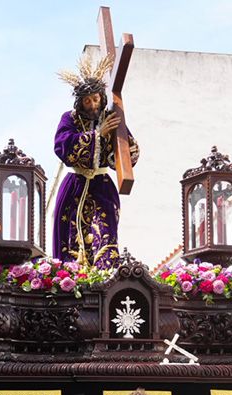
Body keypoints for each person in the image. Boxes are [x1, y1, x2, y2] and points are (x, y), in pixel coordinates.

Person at [52, 53, 140, 271]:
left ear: (102, 97)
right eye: (87, 101)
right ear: (80, 102)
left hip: (102, 186)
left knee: (105, 233)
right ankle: (70, 282)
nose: (92, 104)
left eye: (96, 99)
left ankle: (103, 282)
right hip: (75, 186)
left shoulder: (110, 117)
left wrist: (119, 142)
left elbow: (126, 153)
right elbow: (62, 145)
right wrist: (97, 135)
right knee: (69, 238)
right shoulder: (70, 118)